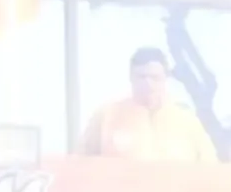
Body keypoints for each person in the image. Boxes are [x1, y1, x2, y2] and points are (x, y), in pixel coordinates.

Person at [86, 45, 221, 163]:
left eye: (154, 77)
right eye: (141, 77)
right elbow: (80, 165)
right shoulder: (107, 116)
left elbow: (210, 168)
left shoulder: (187, 121)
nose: (148, 84)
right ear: (131, 77)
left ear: (165, 78)